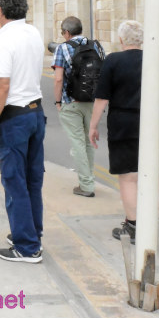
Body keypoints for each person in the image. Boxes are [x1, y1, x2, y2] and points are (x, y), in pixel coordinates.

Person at [88, 19, 159, 248]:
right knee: (150, 173)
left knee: (129, 177)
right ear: (142, 39)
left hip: (125, 126)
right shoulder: (157, 58)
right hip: (158, 125)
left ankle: (132, 226)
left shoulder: (113, 61)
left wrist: (93, 126)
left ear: (121, 39)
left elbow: (102, 98)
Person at [0, 0, 46, 263]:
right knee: (32, 180)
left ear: (1, 11)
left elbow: (2, 86)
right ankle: (31, 233)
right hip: (35, 112)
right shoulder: (33, 33)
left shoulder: (5, 39)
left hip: (15, 118)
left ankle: (27, 247)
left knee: (14, 181)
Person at [52, 16, 104, 198]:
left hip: (71, 102)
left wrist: (58, 102)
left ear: (67, 32)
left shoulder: (62, 48)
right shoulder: (96, 46)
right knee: (89, 141)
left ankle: (86, 185)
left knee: (77, 143)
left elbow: (58, 79)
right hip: (92, 102)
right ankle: (89, 179)